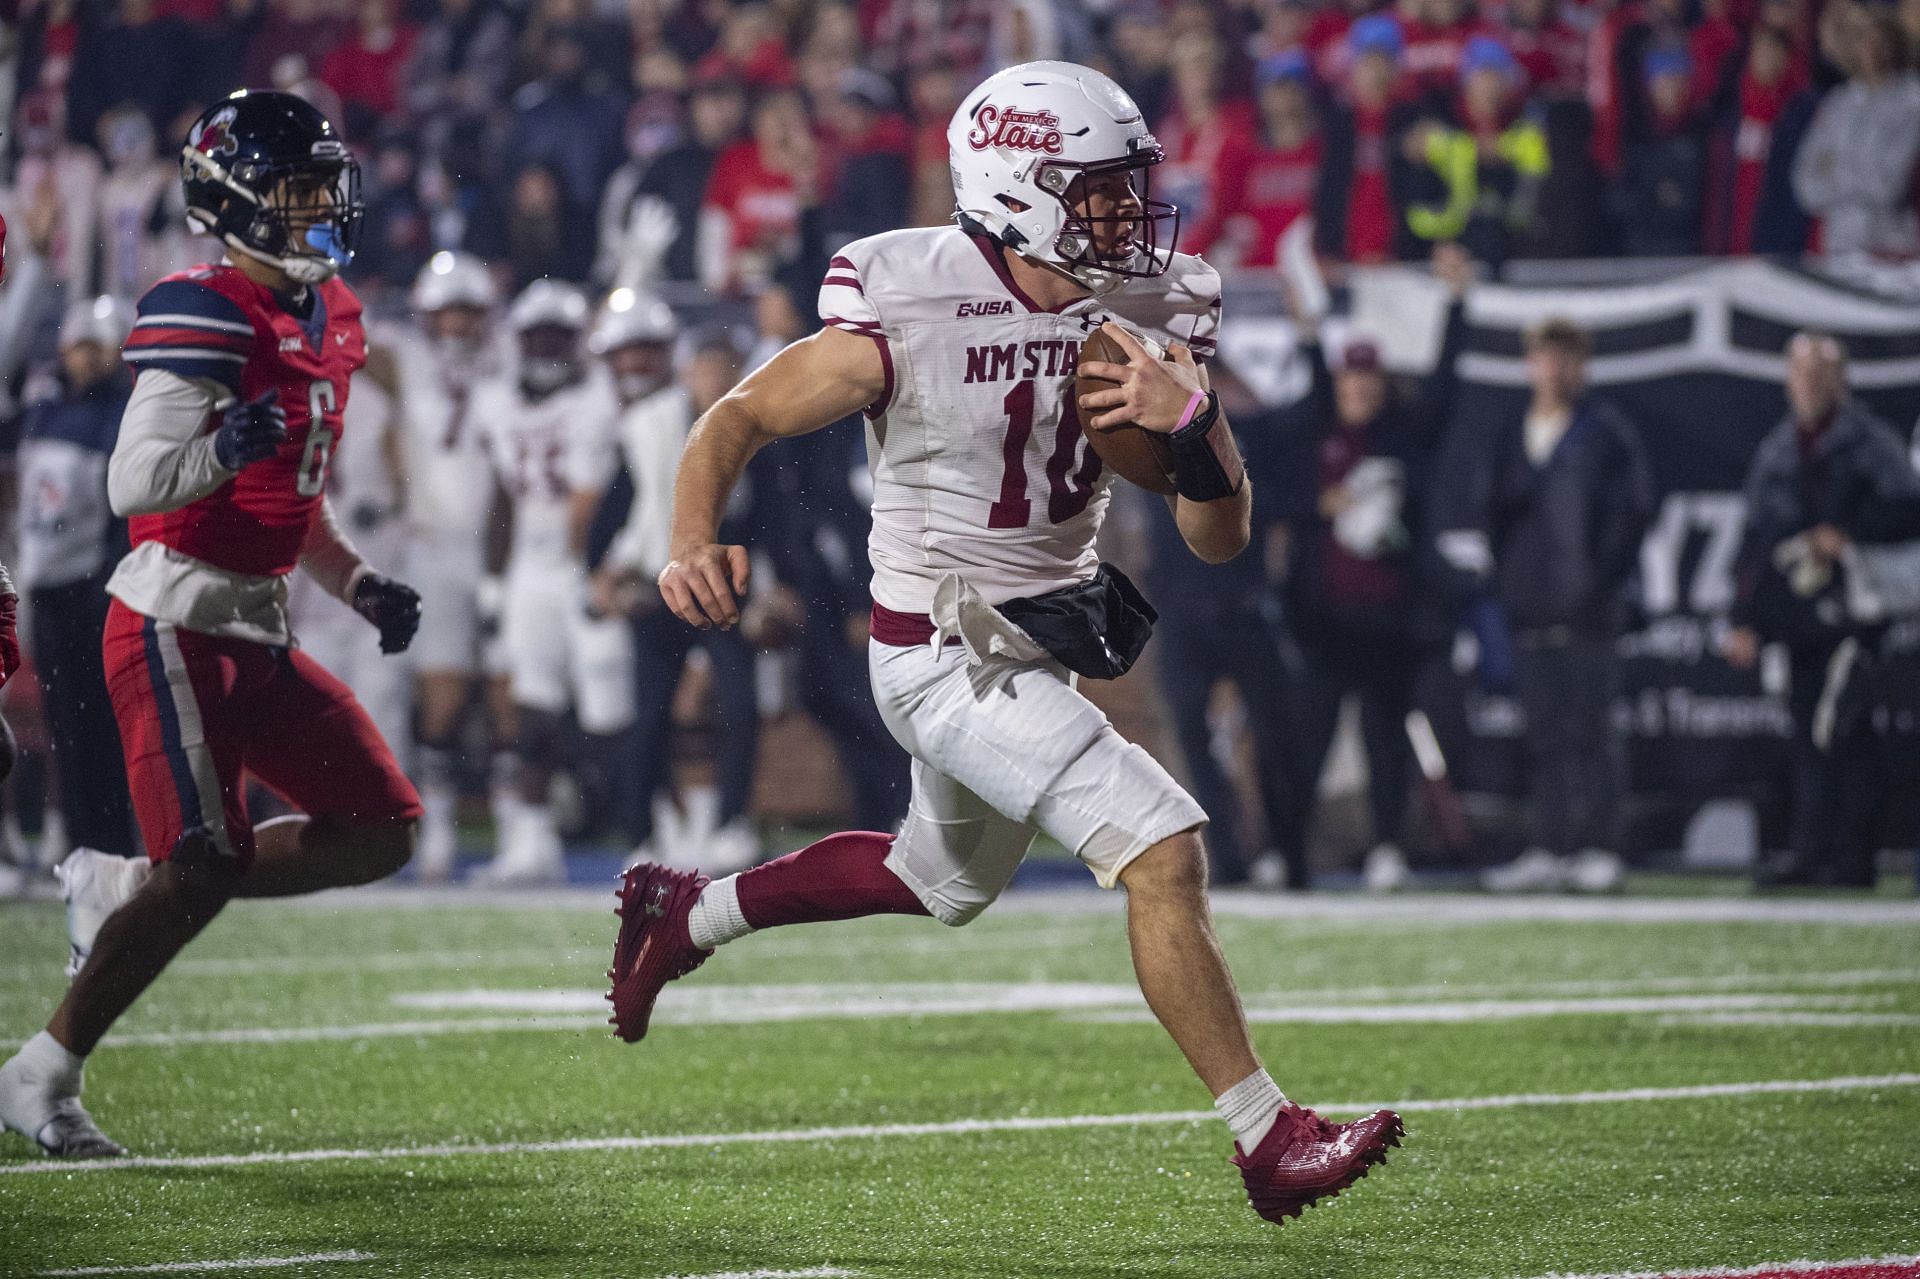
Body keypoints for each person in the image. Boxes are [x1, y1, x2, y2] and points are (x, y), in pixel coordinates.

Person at [610, 60, 1403, 1226]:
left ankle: (685, 912)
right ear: (1018, 187)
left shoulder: (1147, 303)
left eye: (1130, 188)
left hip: (1034, 640)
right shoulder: (910, 292)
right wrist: (689, 538)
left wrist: (1199, 435)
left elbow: (1218, 537)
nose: (1129, 217)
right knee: (1164, 844)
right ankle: (1267, 1135)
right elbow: (740, 415)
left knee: (938, 877)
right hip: (936, 647)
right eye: (1098, 192)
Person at [0, 91, 423, 1159]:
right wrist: (231, 440)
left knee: (381, 828)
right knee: (204, 854)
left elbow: (300, 498)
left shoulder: (331, 311)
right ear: (231, 199)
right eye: (294, 189)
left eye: (324, 186)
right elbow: (130, 480)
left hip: (257, 622)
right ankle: (40, 1073)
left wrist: (362, 584)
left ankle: (127, 886)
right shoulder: (206, 305)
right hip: (170, 614)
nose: (319, 206)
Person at [1278, 244, 1473, 893]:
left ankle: (1389, 848)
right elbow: (1283, 494)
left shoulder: (1402, 436)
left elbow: (1445, 393)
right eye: (1348, 379)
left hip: (1389, 619)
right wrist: (1317, 504)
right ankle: (1288, 853)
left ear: (1380, 383)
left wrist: (1456, 305)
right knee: (1306, 739)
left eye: (1367, 379)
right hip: (1326, 621)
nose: (1357, 389)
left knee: (1386, 739)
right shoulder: (1316, 434)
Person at [1449, 318, 1655, 894]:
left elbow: (1630, 517)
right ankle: (1549, 843)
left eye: (1568, 358)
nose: (1556, 369)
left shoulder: (1606, 434)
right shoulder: (1512, 434)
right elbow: (1489, 513)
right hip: (1529, 607)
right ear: (1530, 363)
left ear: (1582, 365)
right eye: (1546, 357)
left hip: (1589, 609)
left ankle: (1599, 845)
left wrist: (1599, 584)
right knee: (1543, 735)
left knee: (1592, 731)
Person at [1723, 333, 1920, 888]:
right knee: (1806, 737)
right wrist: (1743, 618)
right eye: (1801, 372)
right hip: (1797, 615)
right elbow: (1756, 539)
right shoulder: (1779, 448)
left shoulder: (1869, 443)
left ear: (1842, 381)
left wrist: (1850, 535)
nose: (1809, 384)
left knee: (1848, 732)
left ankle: (1852, 855)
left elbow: (1909, 511)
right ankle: (1810, 850)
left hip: (1857, 609)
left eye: (1821, 373)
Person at [472, 279, 631, 882]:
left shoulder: (601, 398)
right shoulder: (495, 400)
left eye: (556, 334)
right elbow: (501, 498)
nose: (545, 346)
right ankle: (532, 842)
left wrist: (591, 570)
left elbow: (606, 496)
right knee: (531, 708)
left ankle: (647, 826)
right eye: (535, 335)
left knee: (612, 708)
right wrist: (494, 582)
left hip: (590, 568)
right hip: (530, 573)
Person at [590, 328, 764, 871]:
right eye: (707, 370)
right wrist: (599, 568)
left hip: (723, 582)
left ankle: (731, 823)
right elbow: (619, 499)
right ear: (689, 373)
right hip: (656, 583)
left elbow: (766, 514)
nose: (715, 382)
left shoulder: (751, 421)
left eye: (725, 372)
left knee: (740, 705)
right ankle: (643, 833)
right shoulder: (647, 424)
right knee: (648, 713)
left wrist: (775, 585)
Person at [396, 251, 515, 882]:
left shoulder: (513, 358)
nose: (458, 325)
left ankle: (516, 828)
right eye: (446, 312)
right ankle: (436, 826)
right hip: (433, 544)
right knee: (441, 695)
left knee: (507, 693)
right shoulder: (403, 361)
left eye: (469, 311)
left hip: (502, 550)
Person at [16, 297, 141, 896]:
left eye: (96, 347)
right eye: (77, 345)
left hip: (91, 589)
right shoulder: (43, 406)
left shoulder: (121, 414)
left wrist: (108, 583)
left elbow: (123, 514)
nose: (84, 358)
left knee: (100, 732)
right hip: (46, 589)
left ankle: (113, 848)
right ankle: (83, 847)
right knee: (64, 729)